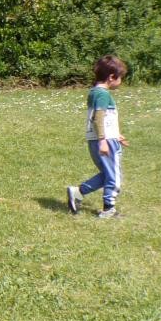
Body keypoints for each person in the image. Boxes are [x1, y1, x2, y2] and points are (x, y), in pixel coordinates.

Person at [67, 55, 129, 218]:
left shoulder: (94, 92)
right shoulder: (103, 94)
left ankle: (78, 192)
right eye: (120, 77)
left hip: (98, 139)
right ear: (111, 77)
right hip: (104, 141)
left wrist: (116, 134)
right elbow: (98, 117)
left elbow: (102, 119)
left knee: (108, 174)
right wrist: (104, 140)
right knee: (114, 176)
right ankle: (109, 208)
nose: (121, 81)